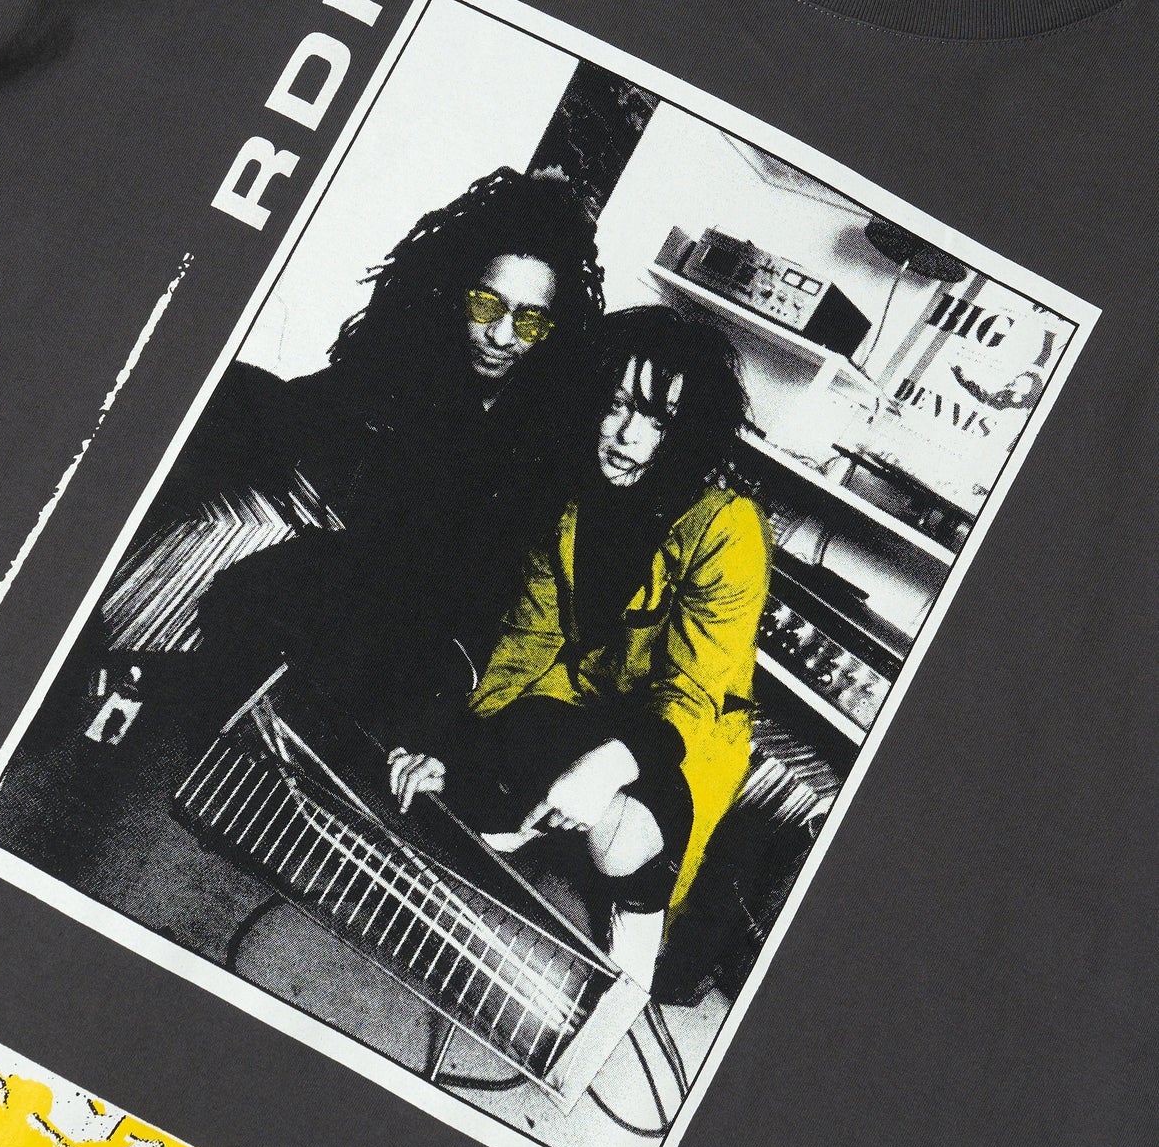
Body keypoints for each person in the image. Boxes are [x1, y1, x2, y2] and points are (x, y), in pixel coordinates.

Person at [386, 303, 771, 994]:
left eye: (658, 420)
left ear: (690, 433)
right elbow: (526, 645)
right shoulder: (570, 503)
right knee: (479, 781)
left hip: (686, 731)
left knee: (625, 839)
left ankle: (636, 933)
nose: (627, 435)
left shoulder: (728, 528)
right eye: (616, 405)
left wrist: (603, 769)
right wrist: (450, 744)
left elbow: (689, 696)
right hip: (583, 696)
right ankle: (533, 811)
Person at [142, 165, 607, 736]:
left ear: (554, 329)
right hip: (340, 594)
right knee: (230, 402)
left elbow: (492, 593)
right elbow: (299, 409)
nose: (502, 336)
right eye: (487, 305)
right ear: (457, 294)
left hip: (420, 646)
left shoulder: (547, 439)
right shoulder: (408, 367)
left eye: (530, 320)